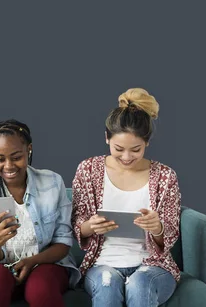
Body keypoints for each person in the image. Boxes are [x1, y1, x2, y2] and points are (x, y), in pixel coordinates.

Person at [72, 88, 181, 307]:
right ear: (106, 138)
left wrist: (157, 227)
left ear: (147, 142)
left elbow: (170, 235)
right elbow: (76, 223)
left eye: (136, 150)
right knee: (107, 284)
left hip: (152, 265)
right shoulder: (88, 170)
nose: (126, 157)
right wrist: (89, 227)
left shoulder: (165, 177)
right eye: (118, 149)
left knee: (140, 284)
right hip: (102, 263)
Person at [0, 119, 81, 307]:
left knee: (41, 288)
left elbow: (63, 243)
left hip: (45, 264)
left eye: (16, 157)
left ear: (29, 150)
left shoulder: (52, 183)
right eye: (0, 159)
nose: (9, 166)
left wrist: (32, 261)